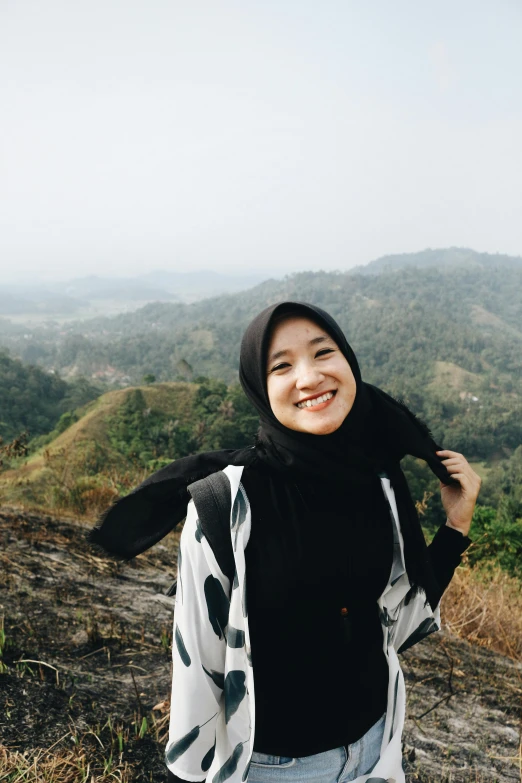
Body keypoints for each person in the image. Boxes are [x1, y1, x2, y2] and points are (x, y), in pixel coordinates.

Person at [89, 301, 481, 783]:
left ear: (349, 364)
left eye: (323, 353)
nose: (309, 377)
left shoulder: (378, 483)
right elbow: (199, 667)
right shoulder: (225, 505)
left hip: (376, 753)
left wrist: (455, 527)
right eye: (282, 366)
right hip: (272, 769)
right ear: (260, 387)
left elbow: (394, 627)